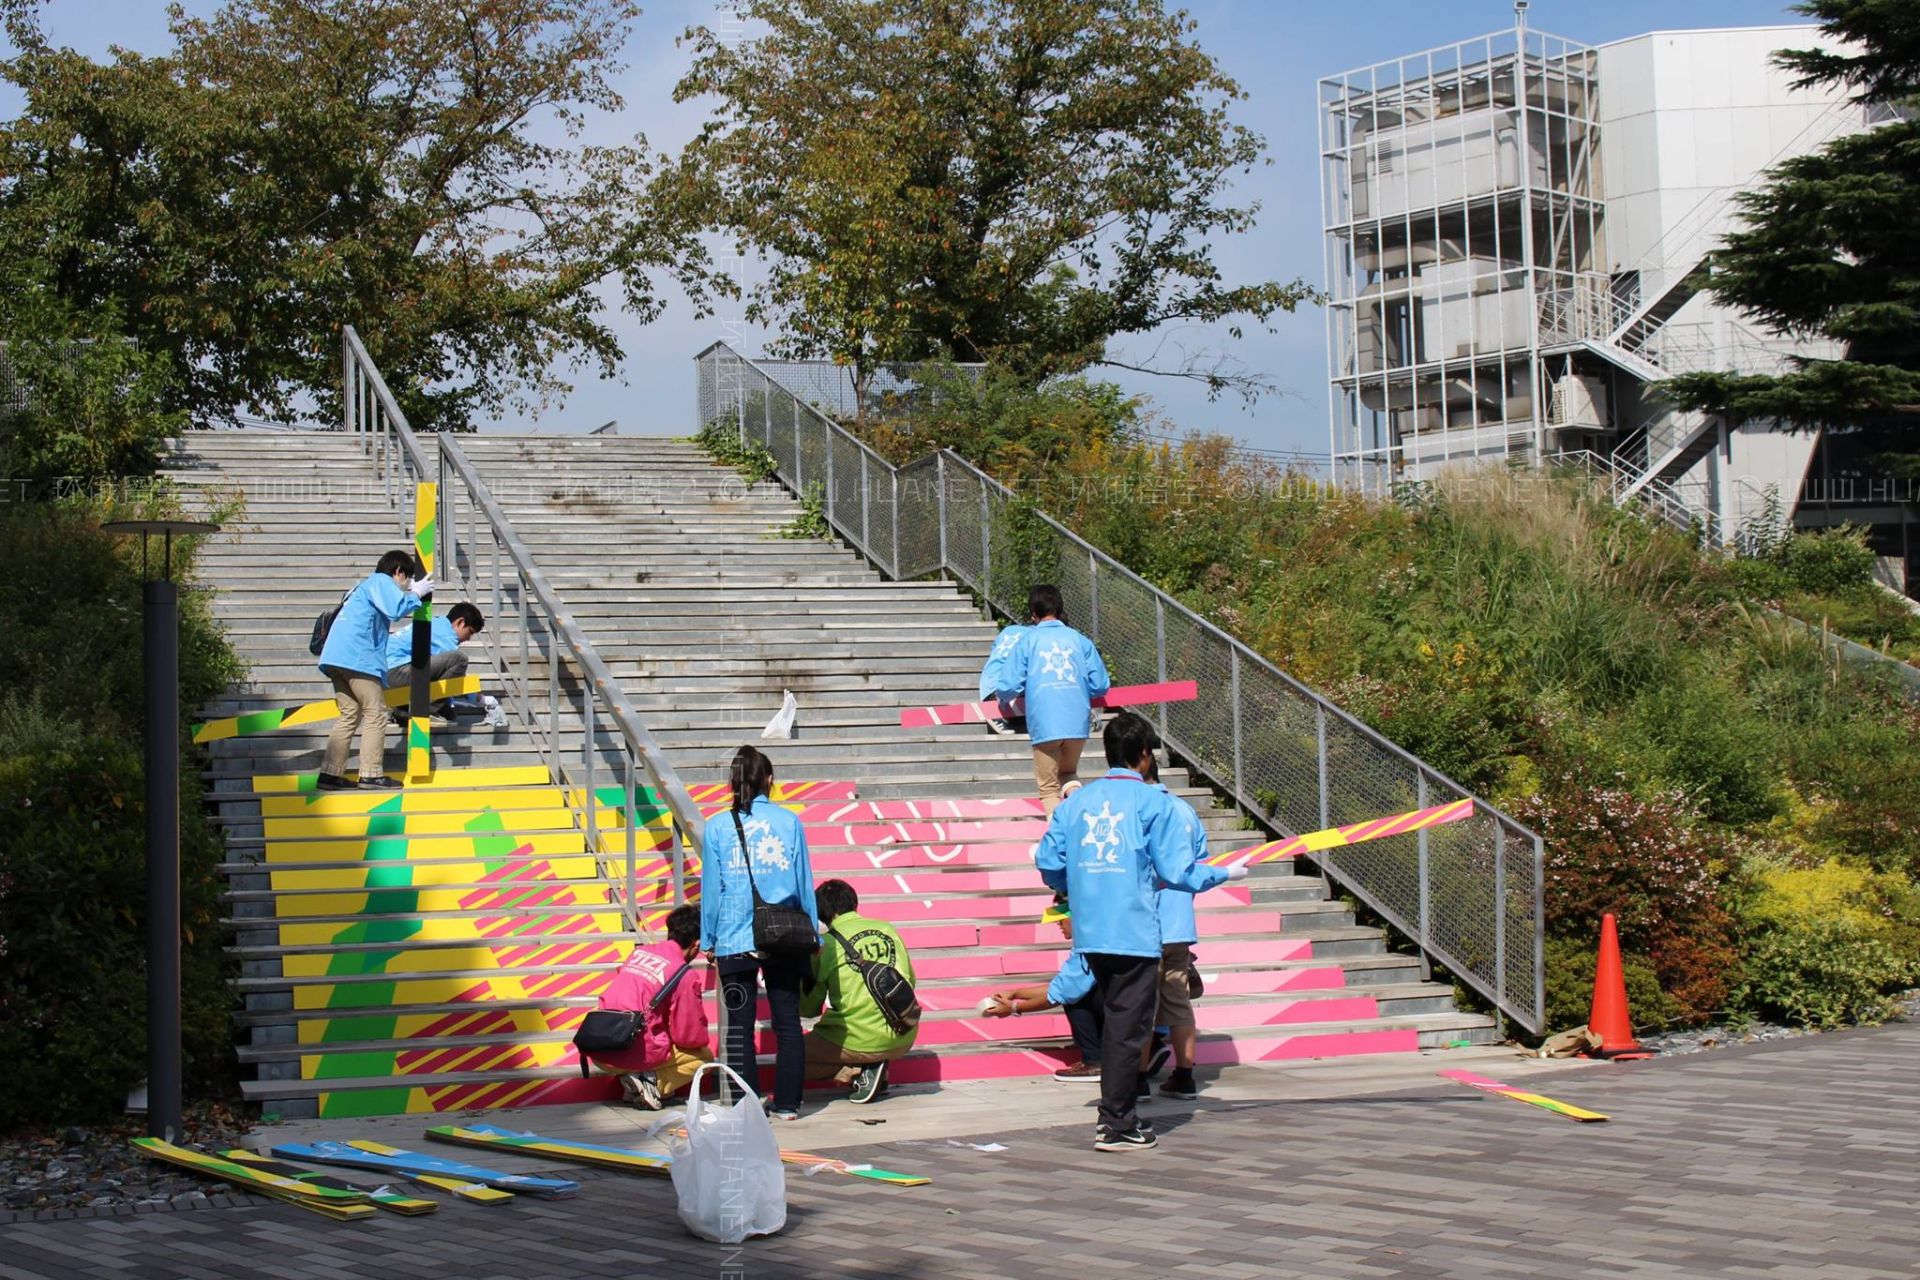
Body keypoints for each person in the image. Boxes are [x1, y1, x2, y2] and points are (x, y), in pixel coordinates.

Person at [1033, 712, 1246, 1152]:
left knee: (1116, 1026)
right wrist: (1224, 873)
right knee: (1128, 1031)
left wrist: (1074, 885)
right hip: (1133, 934)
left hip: (1091, 933)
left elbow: (1049, 862)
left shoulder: (1074, 804)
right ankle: (1117, 1123)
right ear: (1145, 755)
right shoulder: (1157, 804)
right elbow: (1177, 871)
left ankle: (1115, 1116)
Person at [699, 745, 818, 1121]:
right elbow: (803, 881)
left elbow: (712, 889)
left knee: (738, 1025)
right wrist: (811, 931)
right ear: (769, 780)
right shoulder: (789, 821)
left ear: (733, 783)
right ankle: (787, 1105)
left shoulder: (717, 825)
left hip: (734, 937)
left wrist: (709, 939)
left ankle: (746, 1106)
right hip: (784, 934)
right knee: (787, 1023)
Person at [315, 550, 433, 791]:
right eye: (406, 579)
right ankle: (370, 773)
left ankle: (329, 773)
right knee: (376, 712)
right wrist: (416, 593)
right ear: (398, 572)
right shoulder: (380, 581)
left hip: (335, 658)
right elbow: (395, 608)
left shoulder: (358, 588)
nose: (405, 584)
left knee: (349, 714)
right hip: (357, 658)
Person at [800, 879, 918, 1104]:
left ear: (822, 914)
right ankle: (873, 1067)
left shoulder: (824, 945)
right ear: (854, 903)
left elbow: (808, 1008)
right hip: (904, 1031)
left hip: (858, 1038)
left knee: (790, 1057)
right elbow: (910, 980)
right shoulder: (887, 929)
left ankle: (855, 1072)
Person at [583, 904, 711, 1109]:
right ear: (697, 944)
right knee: (704, 1057)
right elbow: (688, 1036)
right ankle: (651, 1084)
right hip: (630, 1050)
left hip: (598, 1046)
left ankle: (634, 1081)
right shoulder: (684, 975)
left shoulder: (639, 953)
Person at [999, 584, 1110, 814]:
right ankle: (1082, 813)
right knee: (1068, 774)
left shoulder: (1027, 641)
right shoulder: (1080, 640)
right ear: (1060, 610)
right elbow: (1100, 685)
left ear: (1033, 613)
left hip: (1046, 724)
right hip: (1077, 724)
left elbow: (1008, 686)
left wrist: (1003, 701)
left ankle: (1060, 836)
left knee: (1048, 790)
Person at [1141, 755, 1205, 1101]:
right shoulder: (1184, 810)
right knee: (1177, 1001)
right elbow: (1200, 863)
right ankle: (1184, 1075)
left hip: (1143, 921)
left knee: (1139, 1004)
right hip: (1180, 920)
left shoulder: (1136, 809)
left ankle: (1136, 1078)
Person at [978, 904, 1104, 1081]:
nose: (1058, 926)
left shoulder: (1088, 947)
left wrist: (1014, 1008)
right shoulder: (1095, 939)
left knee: (1077, 998)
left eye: (1061, 921)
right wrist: (1015, 994)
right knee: (1076, 992)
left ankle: (1095, 1062)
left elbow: (1062, 993)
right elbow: (1059, 986)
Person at [384, 601, 485, 721]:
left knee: (448, 713)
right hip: (395, 672)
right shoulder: (445, 635)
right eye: (470, 632)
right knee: (460, 659)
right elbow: (457, 676)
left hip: (388, 675)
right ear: (460, 622)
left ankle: (402, 712)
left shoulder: (436, 624)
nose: (468, 638)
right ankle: (422, 711)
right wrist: (478, 698)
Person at [978, 621, 1029, 737]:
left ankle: (993, 705)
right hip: (1007, 687)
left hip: (988, 682)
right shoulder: (1036, 636)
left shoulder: (1008, 630)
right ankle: (996, 711)